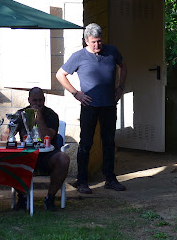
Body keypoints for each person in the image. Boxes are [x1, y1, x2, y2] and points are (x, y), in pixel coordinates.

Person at [56, 23, 128, 194]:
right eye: (93, 42)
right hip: (89, 106)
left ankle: (110, 179)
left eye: (99, 41)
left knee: (109, 142)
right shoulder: (79, 56)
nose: (97, 45)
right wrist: (76, 93)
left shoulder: (112, 51)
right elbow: (60, 75)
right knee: (86, 143)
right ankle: (82, 181)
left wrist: (121, 87)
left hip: (109, 105)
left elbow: (123, 66)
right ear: (86, 41)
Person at [13, 87, 70, 211]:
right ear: (29, 100)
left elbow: (47, 137)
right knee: (9, 160)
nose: (38, 104)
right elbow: (7, 134)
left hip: (47, 156)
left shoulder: (51, 115)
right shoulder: (20, 113)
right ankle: (22, 196)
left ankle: (50, 197)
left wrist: (38, 117)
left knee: (63, 159)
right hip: (26, 155)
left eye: (41, 100)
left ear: (44, 100)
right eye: (35, 101)